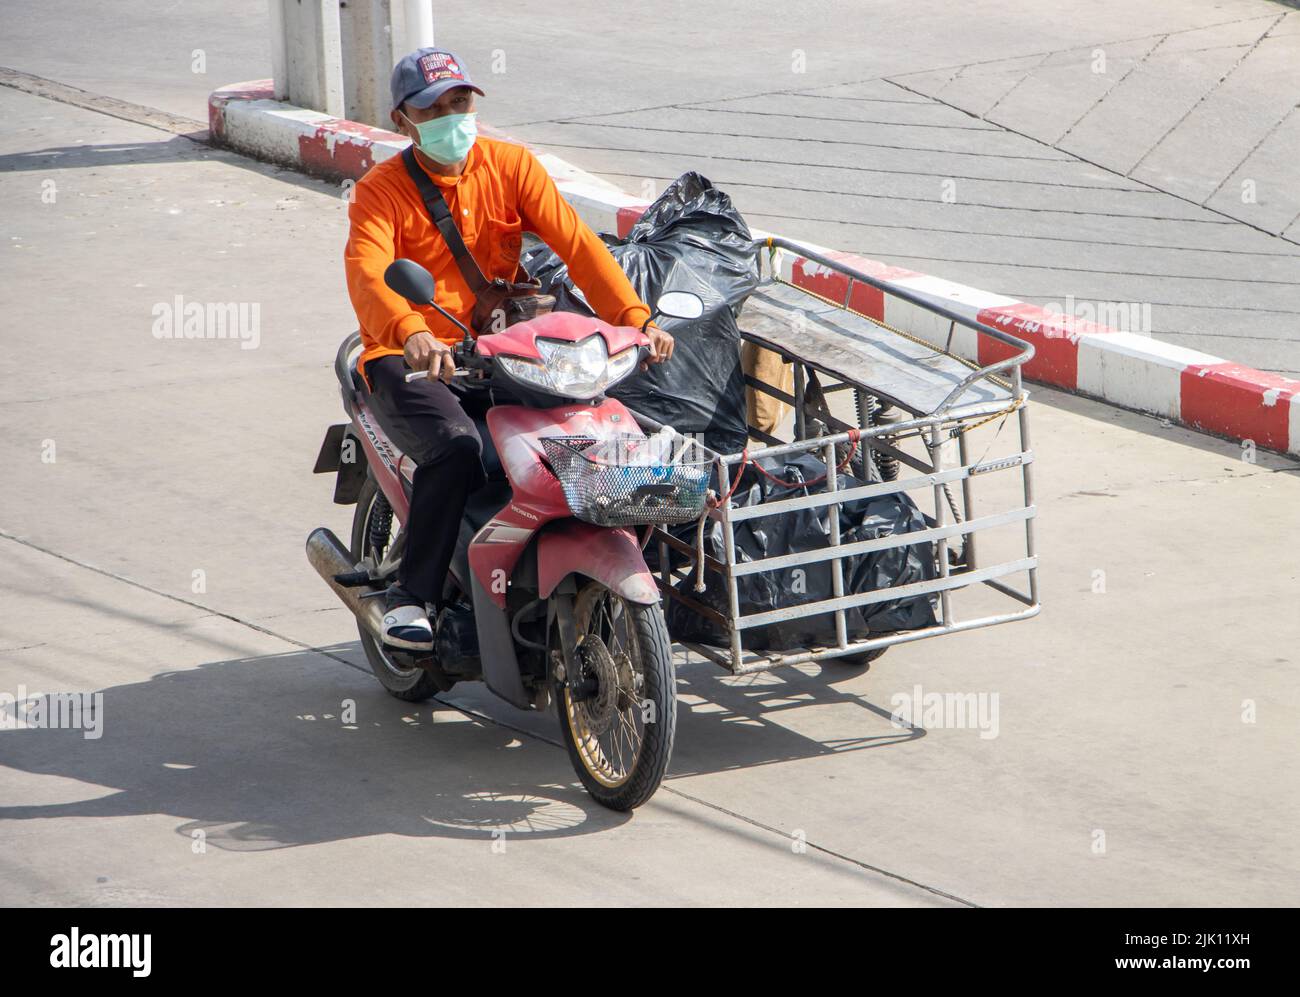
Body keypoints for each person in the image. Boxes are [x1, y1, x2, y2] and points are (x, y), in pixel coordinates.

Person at [344, 47, 674, 650]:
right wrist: (410, 331)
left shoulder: (511, 165)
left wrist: (635, 319)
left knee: (592, 429)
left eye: (460, 102)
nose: (452, 117)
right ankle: (412, 596)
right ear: (403, 120)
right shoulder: (380, 191)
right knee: (458, 449)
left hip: (498, 346)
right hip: (409, 357)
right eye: (434, 108)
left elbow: (578, 245)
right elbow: (368, 275)